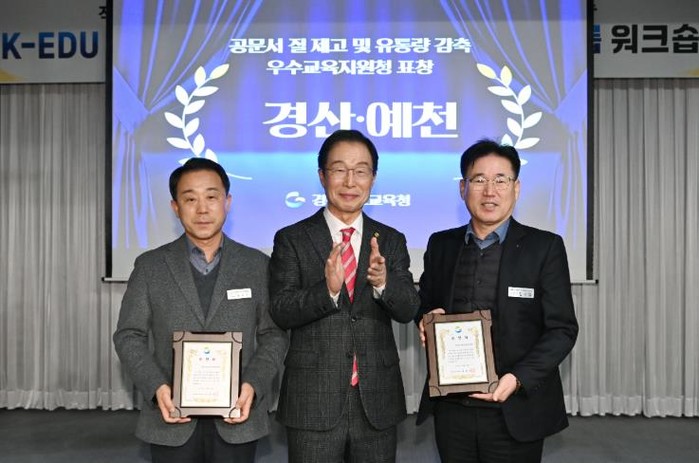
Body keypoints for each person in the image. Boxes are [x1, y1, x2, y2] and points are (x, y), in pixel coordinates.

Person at [113, 158, 287, 463]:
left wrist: (254, 385)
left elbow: (274, 335)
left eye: (211, 197)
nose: (202, 209)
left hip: (238, 416)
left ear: (227, 202)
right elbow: (129, 335)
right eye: (190, 199)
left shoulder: (257, 265)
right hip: (170, 418)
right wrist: (156, 388)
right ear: (175, 207)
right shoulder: (150, 266)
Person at [416, 139, 579, 463]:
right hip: (452, 408)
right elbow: (426, 304)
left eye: (500, 180)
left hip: (515, 407)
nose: (489, 191)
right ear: (463, 188)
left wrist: (517, 379)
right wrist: (424, 319)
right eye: (479, 180)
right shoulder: (441, 244)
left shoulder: (544, 248)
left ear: (516, 188)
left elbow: (562, 329)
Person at [269, 129, 420, 463]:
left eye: (361, 171)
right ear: (322, 175)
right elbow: (281, 310)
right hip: (312, 400)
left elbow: (409, 308)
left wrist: (383, 283)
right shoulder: (292, 238)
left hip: (376, 398)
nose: (350, 181)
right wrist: (328, 291)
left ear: (373, 178)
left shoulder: (391, 240)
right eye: (339, 169)